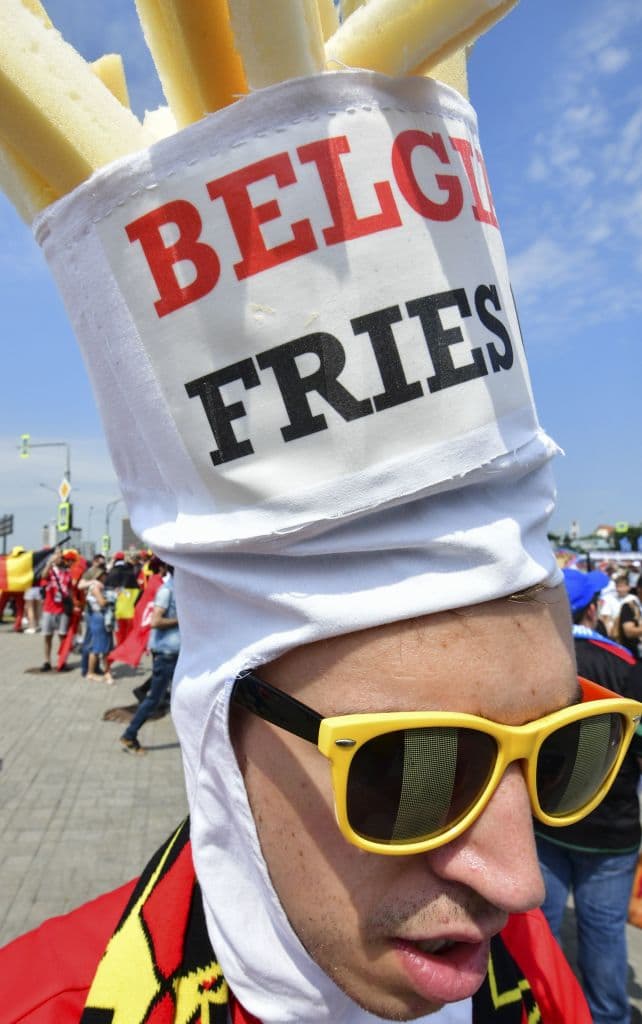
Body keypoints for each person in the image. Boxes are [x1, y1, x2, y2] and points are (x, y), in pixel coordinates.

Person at [3, 52, 625, 1024]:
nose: (520, 880)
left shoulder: (528, 977)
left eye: (564, 753)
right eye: (419, 767)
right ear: (221, 731)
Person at [535, 568, 642, 1024]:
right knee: (603, 935)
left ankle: (547, 1010)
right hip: (610, 830)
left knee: (541, 931)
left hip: (546, 821)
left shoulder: (534, 658)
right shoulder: (625, 665)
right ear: (594, 609)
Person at [120, 565, 179, 754]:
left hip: (176, 653)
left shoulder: (178, 589)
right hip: (167, 654)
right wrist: (182, 620)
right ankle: (129, 735)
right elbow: (156, 621)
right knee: (154, 698)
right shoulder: (167, 590)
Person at [38, 548, 73, 671]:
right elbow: (43, 576)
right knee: (47, 636)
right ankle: (47, 661)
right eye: (56, 556)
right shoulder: (50, 571)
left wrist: (73, 604)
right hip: (49, 608)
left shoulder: (67, 572)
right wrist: (49, 563)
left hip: (63, 609)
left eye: (60, 556)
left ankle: (62, 661)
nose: (58, 558)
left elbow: (70, 590)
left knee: (62, 636)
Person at [85, 566, 115, 684]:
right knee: (99, 647)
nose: (105, 576)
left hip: (99, 617)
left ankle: (105, 671)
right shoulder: (95, 587)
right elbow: (102, 603)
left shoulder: (97, 586)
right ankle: (92, 673)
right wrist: (112, 598)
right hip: (99, 617)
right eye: (103, 574)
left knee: (103, 647)